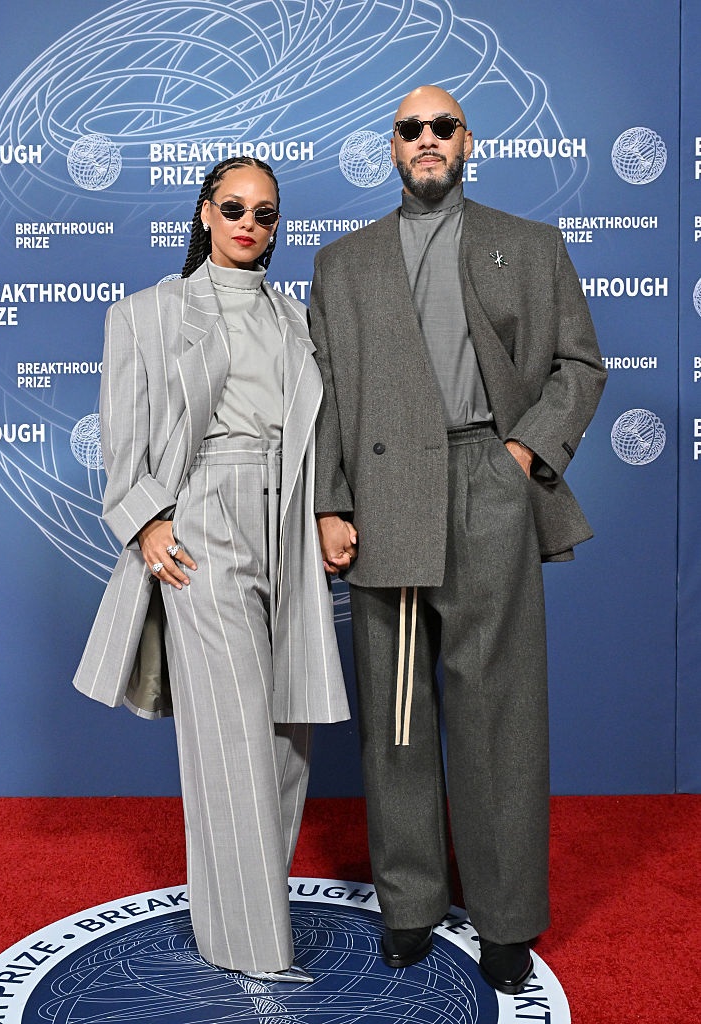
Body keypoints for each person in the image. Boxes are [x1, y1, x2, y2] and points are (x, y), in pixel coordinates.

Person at [309, 86, 606, 994]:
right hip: (385, 495)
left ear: (466, 142)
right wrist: (330, 502)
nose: (427, 140)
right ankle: (409, 905)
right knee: (397, 717)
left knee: (500, 714)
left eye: (443, 127)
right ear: (391, 148)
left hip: (488, 481)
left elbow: (579, 366)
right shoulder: (342, 264)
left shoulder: (532, 243)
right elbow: (320, 397)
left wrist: (521, 455)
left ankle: (508, 917)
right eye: (411, 129)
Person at [74, 156, 349, 983]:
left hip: (288, 519)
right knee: (229, 734)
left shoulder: (296, 319)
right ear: (202, 214)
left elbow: (318, 429)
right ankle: (249, 943)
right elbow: (123, 443)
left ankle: (242, 905)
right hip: (204, 519)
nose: (248, 224)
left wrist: (329, 515)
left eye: (265, 214)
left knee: (285, 736)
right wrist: (148, 520)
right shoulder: (147, 314)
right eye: (233, 207)